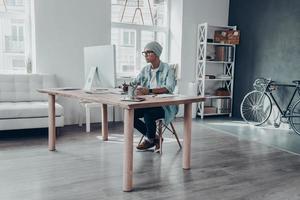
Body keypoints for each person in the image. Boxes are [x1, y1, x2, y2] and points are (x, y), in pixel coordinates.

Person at [132, 41, 178, 151]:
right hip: (147, 104)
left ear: (156, 53)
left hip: (164, 106)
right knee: (130, 114)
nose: (146, 55)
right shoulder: (145, 69)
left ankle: (150, 140)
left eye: (148, 52)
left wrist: (149, 90)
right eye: (145, 53)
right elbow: (134, 82)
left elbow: (169, 88)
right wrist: (126, 86)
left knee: (149, 115)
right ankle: (155, 138)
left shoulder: (168, 69)